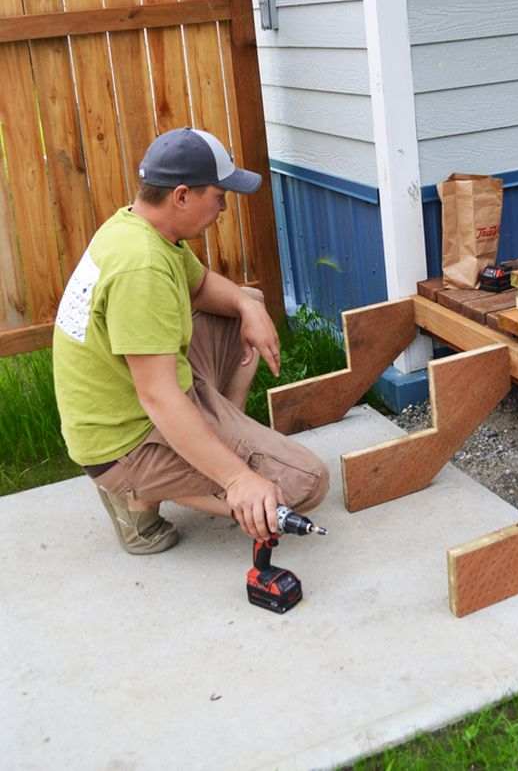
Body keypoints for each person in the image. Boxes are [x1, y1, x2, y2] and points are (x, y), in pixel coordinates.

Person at [52, 127, 329, 555]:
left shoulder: (139, 227)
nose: (223, 207)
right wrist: (237, 478)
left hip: (139, 399)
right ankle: (135, 497)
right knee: (305, 482)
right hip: (126, 441)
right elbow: (158, 396)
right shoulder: (140, 268)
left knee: (244, 302)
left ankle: (213, 446)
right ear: (181, 196)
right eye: (219, 196)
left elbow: (200, 289)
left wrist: (249, 307)